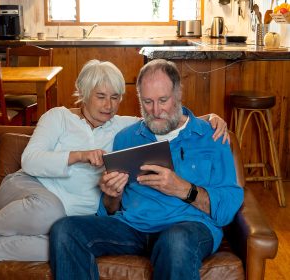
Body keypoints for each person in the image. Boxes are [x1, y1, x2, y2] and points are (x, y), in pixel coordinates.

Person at [0, 59, 229, 271]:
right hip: (30, 191)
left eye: (116, 97)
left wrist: (210, 118)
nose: (109, 105)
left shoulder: (126, 127)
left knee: (59, 241)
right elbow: (30, 160)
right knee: (51, 213)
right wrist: (78, 155)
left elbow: (168, 117)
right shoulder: (58, 117)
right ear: (84, 94)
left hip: (72, 212)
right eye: (101, 96)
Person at [49, 59, 244, 280]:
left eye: (163, 100)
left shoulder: (211, 136)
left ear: (178, 94)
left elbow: (228, 206)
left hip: (188, 227)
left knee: (175, 240)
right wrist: (113, 194)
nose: (156, 110)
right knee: (65, 229)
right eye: (147, 102)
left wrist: (183, 189)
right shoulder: (126, 137)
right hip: (133, 226)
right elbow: (110, 210)